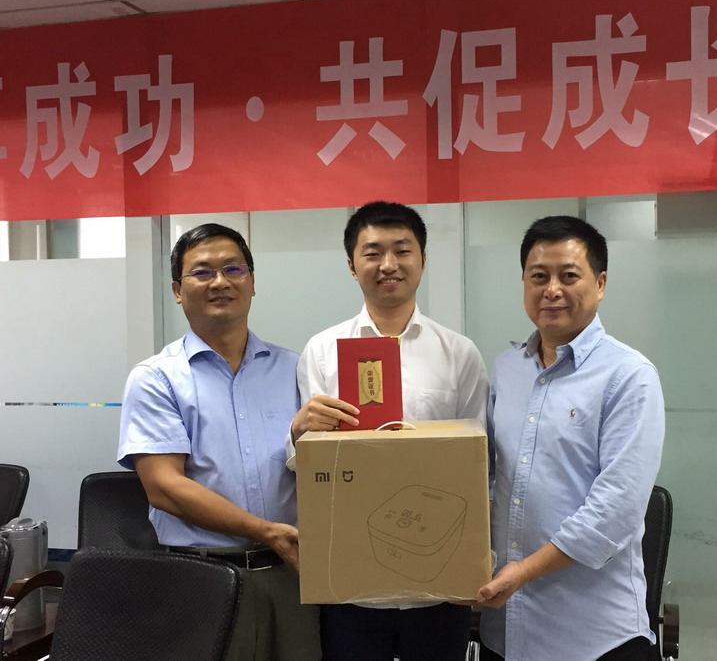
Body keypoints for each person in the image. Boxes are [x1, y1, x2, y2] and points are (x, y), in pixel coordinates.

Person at [288, 201, 489, 661]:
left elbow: (478, 466)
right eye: (373, 252)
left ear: (423, 259)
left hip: (439, 586)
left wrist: (473, 562)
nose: (388, 264)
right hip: (350, 581)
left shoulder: (459, 353)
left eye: (402, 250)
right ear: (351, 265)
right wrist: (301, 431)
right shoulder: (322, 351)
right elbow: (309, 465)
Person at [118, 223, 321, 661]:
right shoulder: (156, 378)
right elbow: (164, 487)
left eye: (233, 269)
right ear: (177, 290)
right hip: (199, 577)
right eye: (202, 272)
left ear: (252, 282)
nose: (220, 282)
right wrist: (266, 531)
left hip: (290, 574)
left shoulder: (296, 370)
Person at [476, 216, 665, 661]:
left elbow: (615, 510)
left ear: (600, 283)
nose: (552, 290)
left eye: (569, 275)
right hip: (505, 629)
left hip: (593, 635)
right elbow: (484, 476)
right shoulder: (506, 369)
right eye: (539, 276)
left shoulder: (628, 376)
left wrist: (523, 572)